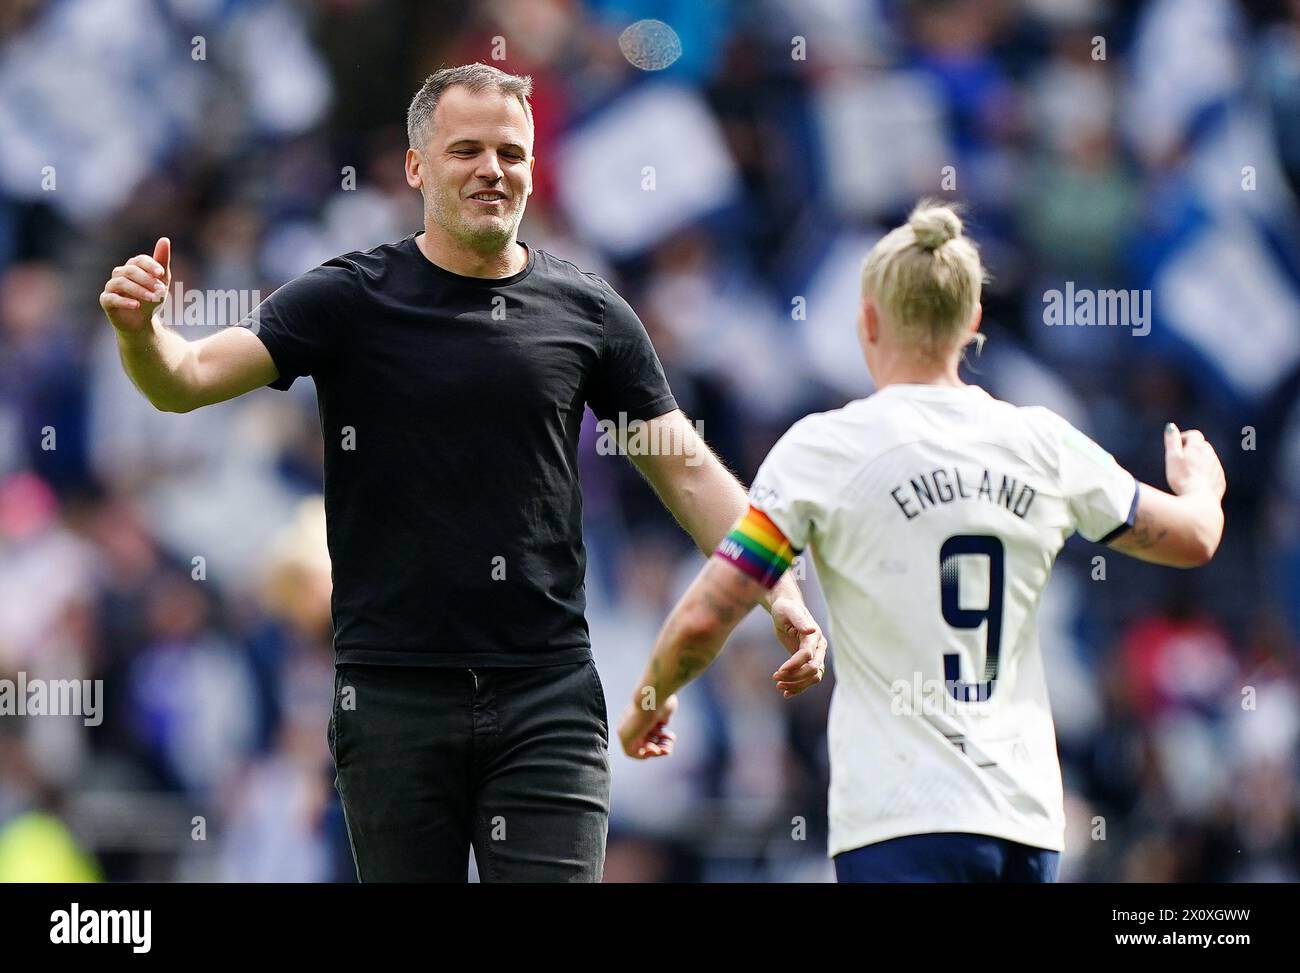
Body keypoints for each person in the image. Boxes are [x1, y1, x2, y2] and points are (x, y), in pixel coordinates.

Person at [97, 62, 827, 882]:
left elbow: (687, 473)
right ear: (416, 166)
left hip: (547, 695)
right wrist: (139, 334)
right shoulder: (348, 298)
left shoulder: (588, 310)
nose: (492, 170)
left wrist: (780, 587)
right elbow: (185, 379)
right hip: (392, 697)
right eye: (467, 150)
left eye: (511, 154)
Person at [617, 200, 1227, 883]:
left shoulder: (825, 449)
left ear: (868, 321)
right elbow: (1195, 536)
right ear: (971, 322)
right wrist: (1201, 482)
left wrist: (653, 693)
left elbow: (711, 610)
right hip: (1022, 823)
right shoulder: (1045, 443)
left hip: (899, 818)